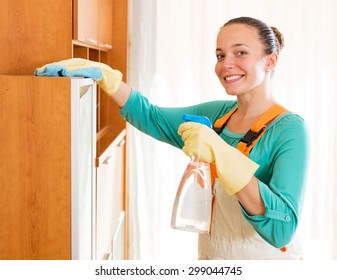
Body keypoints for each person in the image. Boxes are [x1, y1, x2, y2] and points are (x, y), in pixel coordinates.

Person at [35, 16, 309, 260]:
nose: (227, 64)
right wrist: (106, 77)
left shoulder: (289, 129)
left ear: (270, 60)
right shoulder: (217, 117)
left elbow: (282, 230)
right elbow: (151, 117)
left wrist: (223, 154)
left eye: (241, 53)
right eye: (220, 55)